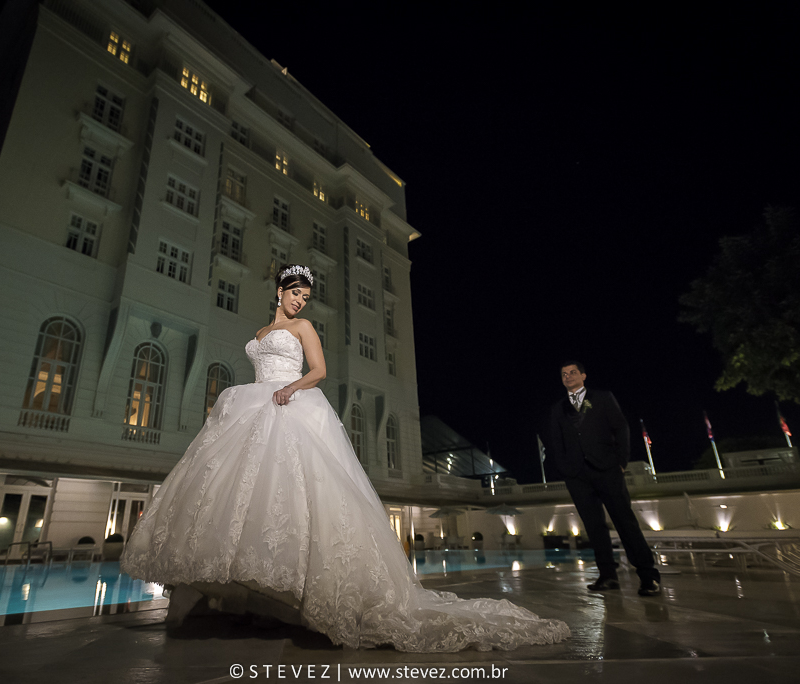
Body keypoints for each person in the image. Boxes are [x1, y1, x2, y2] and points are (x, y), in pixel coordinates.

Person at [122, 264, 569, 652]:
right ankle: (253, 595)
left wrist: (290, 389)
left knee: (293, 495)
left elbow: (319, 371)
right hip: (252, 404)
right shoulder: (260, 334)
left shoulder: (304, 329)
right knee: (241, 499)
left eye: (306, 296)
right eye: (295, 293)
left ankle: (298, 597)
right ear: (279, 291)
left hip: (288, 404)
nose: (300, 301)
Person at [547, 361, 661, 597]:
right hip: (577, 475)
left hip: (607, 469)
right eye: (564, 374)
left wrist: (621, 461)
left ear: (583, 376)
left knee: (625, 522)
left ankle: (648, 576)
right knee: (594, 526)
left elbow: (621, 428)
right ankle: (608, 575)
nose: (568, 377)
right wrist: (565, 469)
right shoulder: (558, 408)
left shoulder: (602, 398)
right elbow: (555, 442)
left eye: (573, 373)